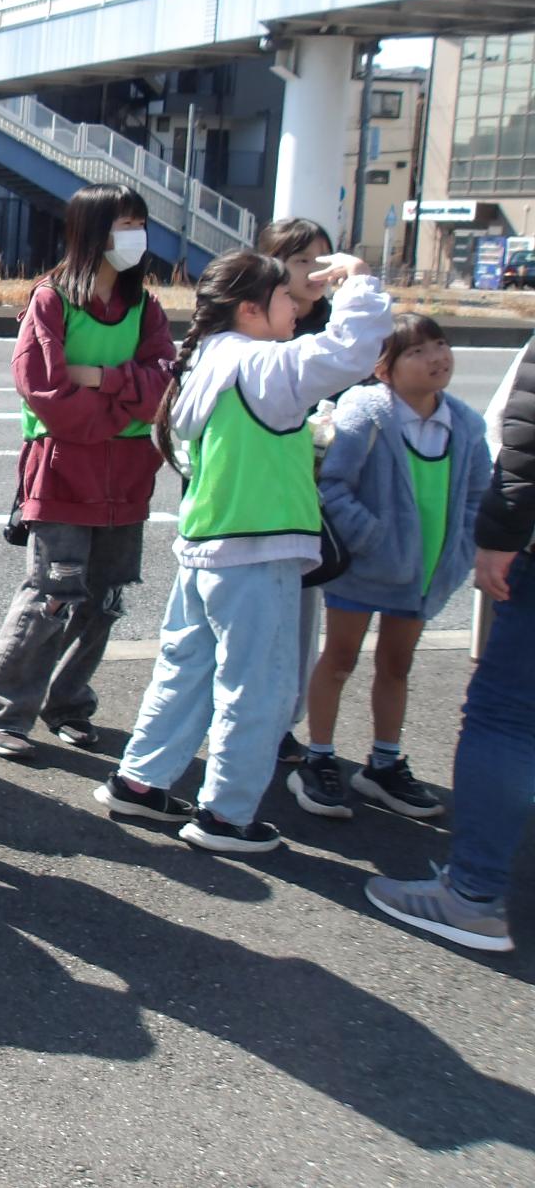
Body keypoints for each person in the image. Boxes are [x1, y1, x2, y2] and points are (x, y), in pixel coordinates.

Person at [98, 249, 390, 855]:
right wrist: (360, 283)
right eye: (287, 298)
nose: (297, 308)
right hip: (258, 548)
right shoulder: (263, 364)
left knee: (186, 669)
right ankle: (226, 817)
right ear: (252, 309)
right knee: (258, 688)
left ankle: (140, 780)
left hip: (206, 542)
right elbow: (352, 352)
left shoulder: (207, 360)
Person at [0, 185, 173, 758]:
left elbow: (166, 380)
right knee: (52, 593)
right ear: (91, 231)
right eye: (122, 224)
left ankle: (69, 703)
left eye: (139, 223)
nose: (134, 236)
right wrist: (122, 406)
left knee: (104, 596)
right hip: (62, 468)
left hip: (129, 472)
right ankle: (4, 711)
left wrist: (102, 379)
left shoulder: (146, 306)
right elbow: (45, 389)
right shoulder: (51, 299)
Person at [366, 334, 535, 953]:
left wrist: (500, 533)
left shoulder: (459, 422)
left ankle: (472, 895)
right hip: (383, 579)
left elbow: (523, 437)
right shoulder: (372, 414)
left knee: (508, 719)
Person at [290, 315, 487, 820]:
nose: (436, 357)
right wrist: (372, 537)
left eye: (440, 345)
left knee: (397, 668)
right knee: (338, 660)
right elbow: (332, 486)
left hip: (424, 576)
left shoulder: (464, 422)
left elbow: (477, 496)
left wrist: (460, 547)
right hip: (364, 570)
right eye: (417, 351)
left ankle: (383, 763)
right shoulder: (366, 414)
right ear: (384, 368)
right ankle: (320, 756)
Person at [256, 216, 337, 768]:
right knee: (245, 616)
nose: (316, 272)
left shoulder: (337, 326)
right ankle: (235, 720)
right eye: (304, 260)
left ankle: (282, 721)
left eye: (324, 260)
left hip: (317, 495)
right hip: (257, 496)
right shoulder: (253, 324)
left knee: (301, 617)